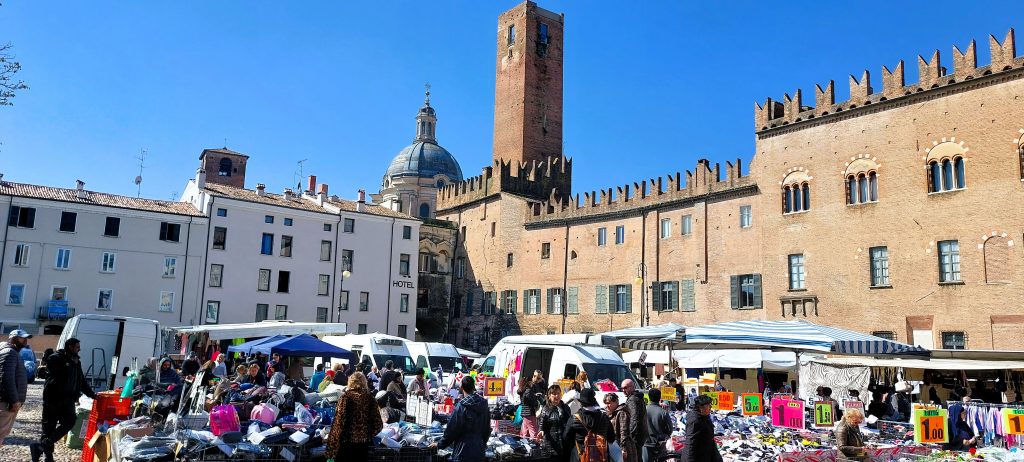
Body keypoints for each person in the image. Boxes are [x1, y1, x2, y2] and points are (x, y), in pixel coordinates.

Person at [31, 337, 96, 462]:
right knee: (48, 428)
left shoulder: (76, 361)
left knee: (70, 422)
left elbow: (81, 381)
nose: (79, 350)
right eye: (77, 347)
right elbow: (60, 376)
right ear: (70, 347)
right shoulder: (55, 358)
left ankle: (41, 446)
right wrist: (71, 363)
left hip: (68, 400)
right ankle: (48, 457)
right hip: (53, 400)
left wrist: (93, 395)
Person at [327, 372, 382, 462]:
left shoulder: (345, 398)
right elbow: (378, 425)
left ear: (350, 382)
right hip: (363, 445)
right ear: (364, 382)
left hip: (346, 444)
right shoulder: (371, 399)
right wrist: (367, 434)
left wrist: (332, 447)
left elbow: (338, 423)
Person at [434, 376, 490, 462]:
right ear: (473, 387)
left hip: (462, 452)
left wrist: (440, 444)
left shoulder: (461, 406)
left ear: (461, 388)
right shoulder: (484, 404)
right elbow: (487, 429)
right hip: (479, 451)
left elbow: (451, 430)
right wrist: (482, 443)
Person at [564, 388, 615, 462]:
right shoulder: (604, 417)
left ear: (581, 403)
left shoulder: (574, 418)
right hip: (601, 457)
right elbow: (611, 438)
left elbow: (566, 438)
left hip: (580, 457)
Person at [0, 329, 31, 447]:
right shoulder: (10, 353)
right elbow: (7, 378)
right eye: (22, 338)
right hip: (6, 402)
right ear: (13, 339)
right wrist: (14, 400)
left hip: (8, 401)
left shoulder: (13, 352)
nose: (25, 341)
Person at [680, 394, 721, 462]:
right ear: (700, 407)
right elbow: (691, 443)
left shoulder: (705, 417)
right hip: (697, 457)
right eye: (708, 405)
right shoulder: (694, 421)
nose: (710, 407)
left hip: (706, 455)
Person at [540, 385, 572, 462]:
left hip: (565, 443)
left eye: (558, 393)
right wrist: (541, 430)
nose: (556, 396)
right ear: (549, 396)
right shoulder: (546, 409)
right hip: (552, 445)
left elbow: (569, 422)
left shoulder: (566, 407)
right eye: (554, 394)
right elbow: (542, 424)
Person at [605, 393, 637, 462]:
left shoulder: (621, 413)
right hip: (615, 445)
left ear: (616, 402)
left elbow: (624, 432)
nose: (607, 405)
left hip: (623, 445)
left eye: (609, 403)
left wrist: (623, 448)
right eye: (606, 403)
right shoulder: (611, 413)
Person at [621, 379, 649, 458]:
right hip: (640, 435)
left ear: (632, 387)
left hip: (636, 436)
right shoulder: (637, 397)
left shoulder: (633, 399)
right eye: (622, 388)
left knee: (635, 458)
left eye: (625, 388)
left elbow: (634, 418)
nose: (623, 390)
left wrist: (630, 436)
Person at [645, 388, 673, 462]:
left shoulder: (643, 410)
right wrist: (665, 436)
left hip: (646, 442)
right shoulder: (663, 412)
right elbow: (670, 429)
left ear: (649, 397)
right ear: (660, 398)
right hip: (660, 443)